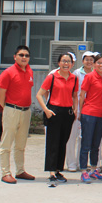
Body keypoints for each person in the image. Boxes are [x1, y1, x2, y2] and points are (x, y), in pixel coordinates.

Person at [36, 53, 78, 186]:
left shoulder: (74, 78)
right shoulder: (52, 77)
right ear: (59, 63)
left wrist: (75, 109)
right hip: (54, 112)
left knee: (62, 142)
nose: (66, 64)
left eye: (68, 61)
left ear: (72, 64)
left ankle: (58, 170)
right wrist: (46, 110)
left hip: (67, 113)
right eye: (63, 61)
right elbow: (39, 94)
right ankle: (51, 172)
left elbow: (75, 95)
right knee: (52, 143)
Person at [0, 45, 35, 184]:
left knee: (21, 143)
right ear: (15, 57)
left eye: (27, 55)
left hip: (26, 111)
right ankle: (5, 173)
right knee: (6, 143)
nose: (24, 57)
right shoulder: (8, 73)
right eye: (21, 55)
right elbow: (1, 94)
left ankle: (20, 171)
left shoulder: (30, 71)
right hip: (12, 110)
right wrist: (7, 108)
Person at [78, 53, 102, 183]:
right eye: (99, 63)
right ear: (94, 64)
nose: (101, 65)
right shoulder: (89, 76)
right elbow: (82, 95)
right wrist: (80, 112)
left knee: (96, 145)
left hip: (101, 115)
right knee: (86, 143)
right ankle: (83, 171)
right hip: (89, 114)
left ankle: (93, 169)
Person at [65, 51, 95, 172]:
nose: (89, 62)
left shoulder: (95, 73)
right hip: (76, 107)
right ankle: (71, 163)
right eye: (87, 59)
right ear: (82, 61)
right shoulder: (77, 73)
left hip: (88, 109)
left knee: (83, 137)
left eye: (91, 59)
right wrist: (75, 108)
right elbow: (73, 92)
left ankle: (80, 162)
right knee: (72, 137)